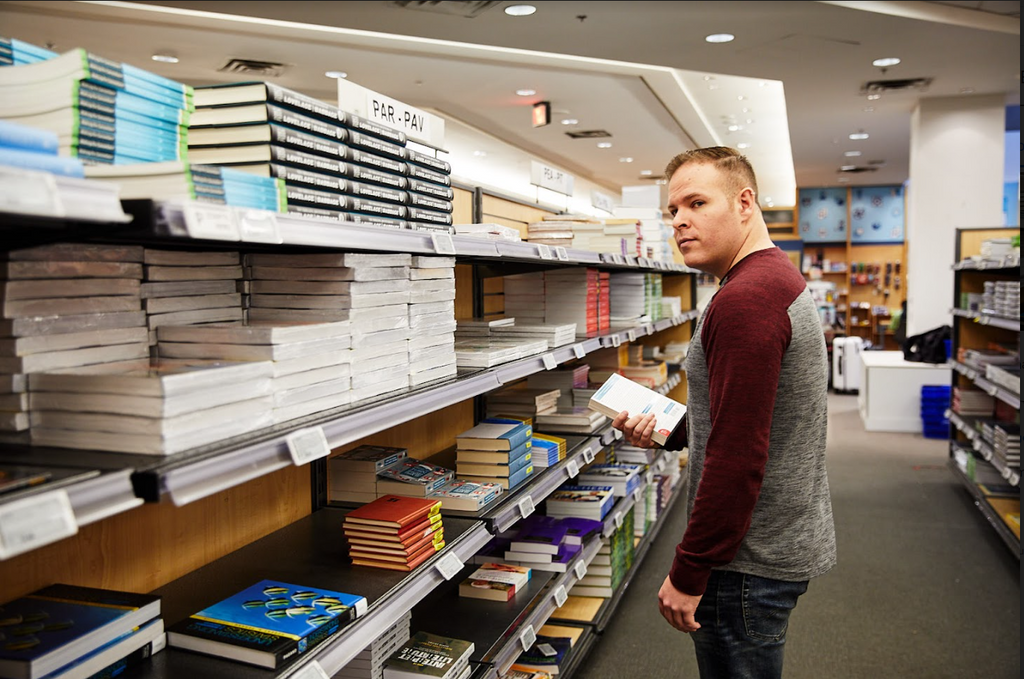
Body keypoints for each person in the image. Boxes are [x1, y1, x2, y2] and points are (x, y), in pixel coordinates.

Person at [612, 146, 836, 679]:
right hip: (768, 543)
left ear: (744, 202)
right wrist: (670, 429)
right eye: (673, 211)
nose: (681, 221)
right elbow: (754, 417)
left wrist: (691, 570)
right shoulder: (771, 280)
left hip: (742, 562)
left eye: (696, 202)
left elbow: (738, 456)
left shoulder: (746, 302)